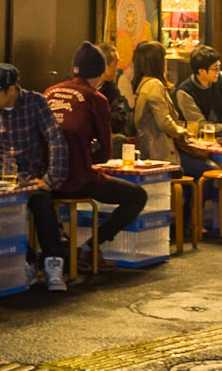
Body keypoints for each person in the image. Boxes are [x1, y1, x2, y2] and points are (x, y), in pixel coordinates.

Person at [44, 42, 146, 256]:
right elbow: (105, 153)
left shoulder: (50, 91)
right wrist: (85, 153)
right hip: (76, 180)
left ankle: (65, 241)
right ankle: (91, 245)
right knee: (137, 196)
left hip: (44, 180)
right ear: (101, 71)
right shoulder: (96, 98)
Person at [0, 61, 69, 292]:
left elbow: (55, 138)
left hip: (30, 178)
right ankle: (25, 261)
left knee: (42, 204)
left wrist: (52, 179)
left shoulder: (35, 102)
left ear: (11, 90)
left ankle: (53, 264)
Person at [129, 40, 212, 171]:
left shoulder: (143, 84)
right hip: (160, 152)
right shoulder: (154, 85)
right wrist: (183, 132)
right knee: (208, 169)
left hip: (149, 150)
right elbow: (164, 122)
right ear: (158, 62)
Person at [174, 45, 222, 133]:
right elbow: (200, 125)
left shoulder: (221, 78)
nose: (218, 71)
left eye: (219, 67)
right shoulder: (185, 92)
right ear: (201, 71)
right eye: (215, 68)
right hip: (199, 140)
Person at [99, 39, 131, 139]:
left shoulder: (111, 89)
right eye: (115, 63)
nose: (118, 68)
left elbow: (121, 119)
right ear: (104, 66)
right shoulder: (80, 87)